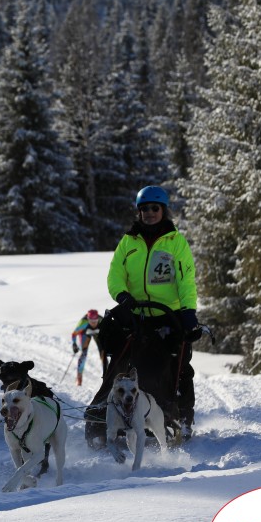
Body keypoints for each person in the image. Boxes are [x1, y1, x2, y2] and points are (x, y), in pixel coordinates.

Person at [106, 185, 201, 440]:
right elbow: (115, 274)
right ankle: (112, 413)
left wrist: (188, 311)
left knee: (178, 365)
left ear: (163, 210)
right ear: (139, 211)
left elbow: (186, 279)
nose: (149, 213)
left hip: (167, 315)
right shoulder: (129, 241)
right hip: (136, 315)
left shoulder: (175, 242)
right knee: (121, 362)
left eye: (154, 208)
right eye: (144, 208)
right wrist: (122, 295)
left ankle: (182, 416)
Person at [70, 309, 104, 386]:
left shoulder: (101, 320)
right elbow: (74, 334)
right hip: (85, 333)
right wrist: (74, 344)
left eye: (95, 321)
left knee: (103, 354)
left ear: (97, 319)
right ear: (88, 319)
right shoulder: (83, 323)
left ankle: (107, 375)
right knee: (84, 354)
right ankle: (79, 377)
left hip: (98, 334)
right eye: (91, 321)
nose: (93, 323)